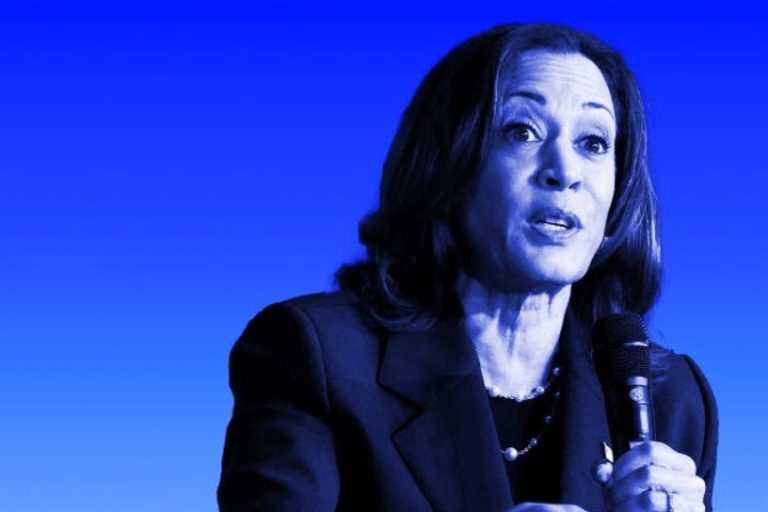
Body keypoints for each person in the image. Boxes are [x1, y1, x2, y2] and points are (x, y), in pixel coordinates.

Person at [217, 22, 718, 512]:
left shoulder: (671, 398)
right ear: (447, 166)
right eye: (522, 132)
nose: (564, 172)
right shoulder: (318, 356)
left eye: (593, 143)